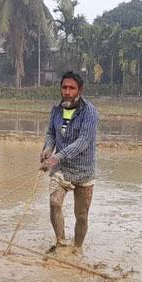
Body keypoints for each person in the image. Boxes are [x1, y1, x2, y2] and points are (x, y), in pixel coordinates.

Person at [39, 71, 99, 254]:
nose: (67, 91)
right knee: (54, 203)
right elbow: (51, 133)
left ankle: (77, 249)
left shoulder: (90, 112)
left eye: (71, 88)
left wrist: (57, 156)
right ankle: (61, 242)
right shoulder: (56, 109)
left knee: (81, 215)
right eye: (64, 87)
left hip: (83, 170)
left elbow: (83, 141)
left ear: (79, 90)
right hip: (61, 169)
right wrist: (48, 149)